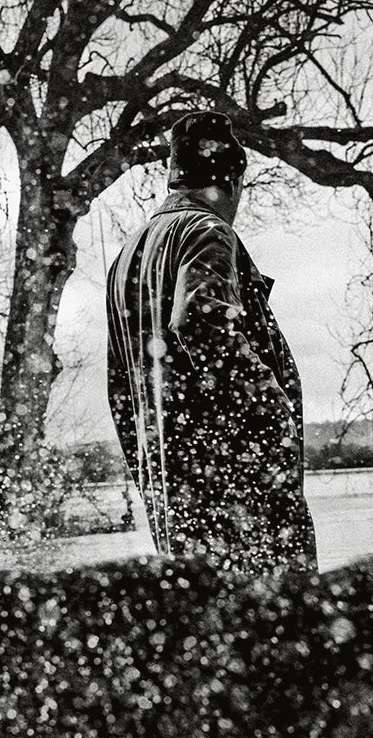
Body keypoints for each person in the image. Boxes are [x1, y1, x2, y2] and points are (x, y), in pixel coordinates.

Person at [106, 111, 316, 575]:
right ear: (232, 181)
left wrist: (150, 469)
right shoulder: (207, 231)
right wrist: (273, 410)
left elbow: (120, 391)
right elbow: (201, 323)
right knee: (281, 610)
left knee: (203, 607)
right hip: (236, 489)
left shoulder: (128, 255)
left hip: (174, 489)